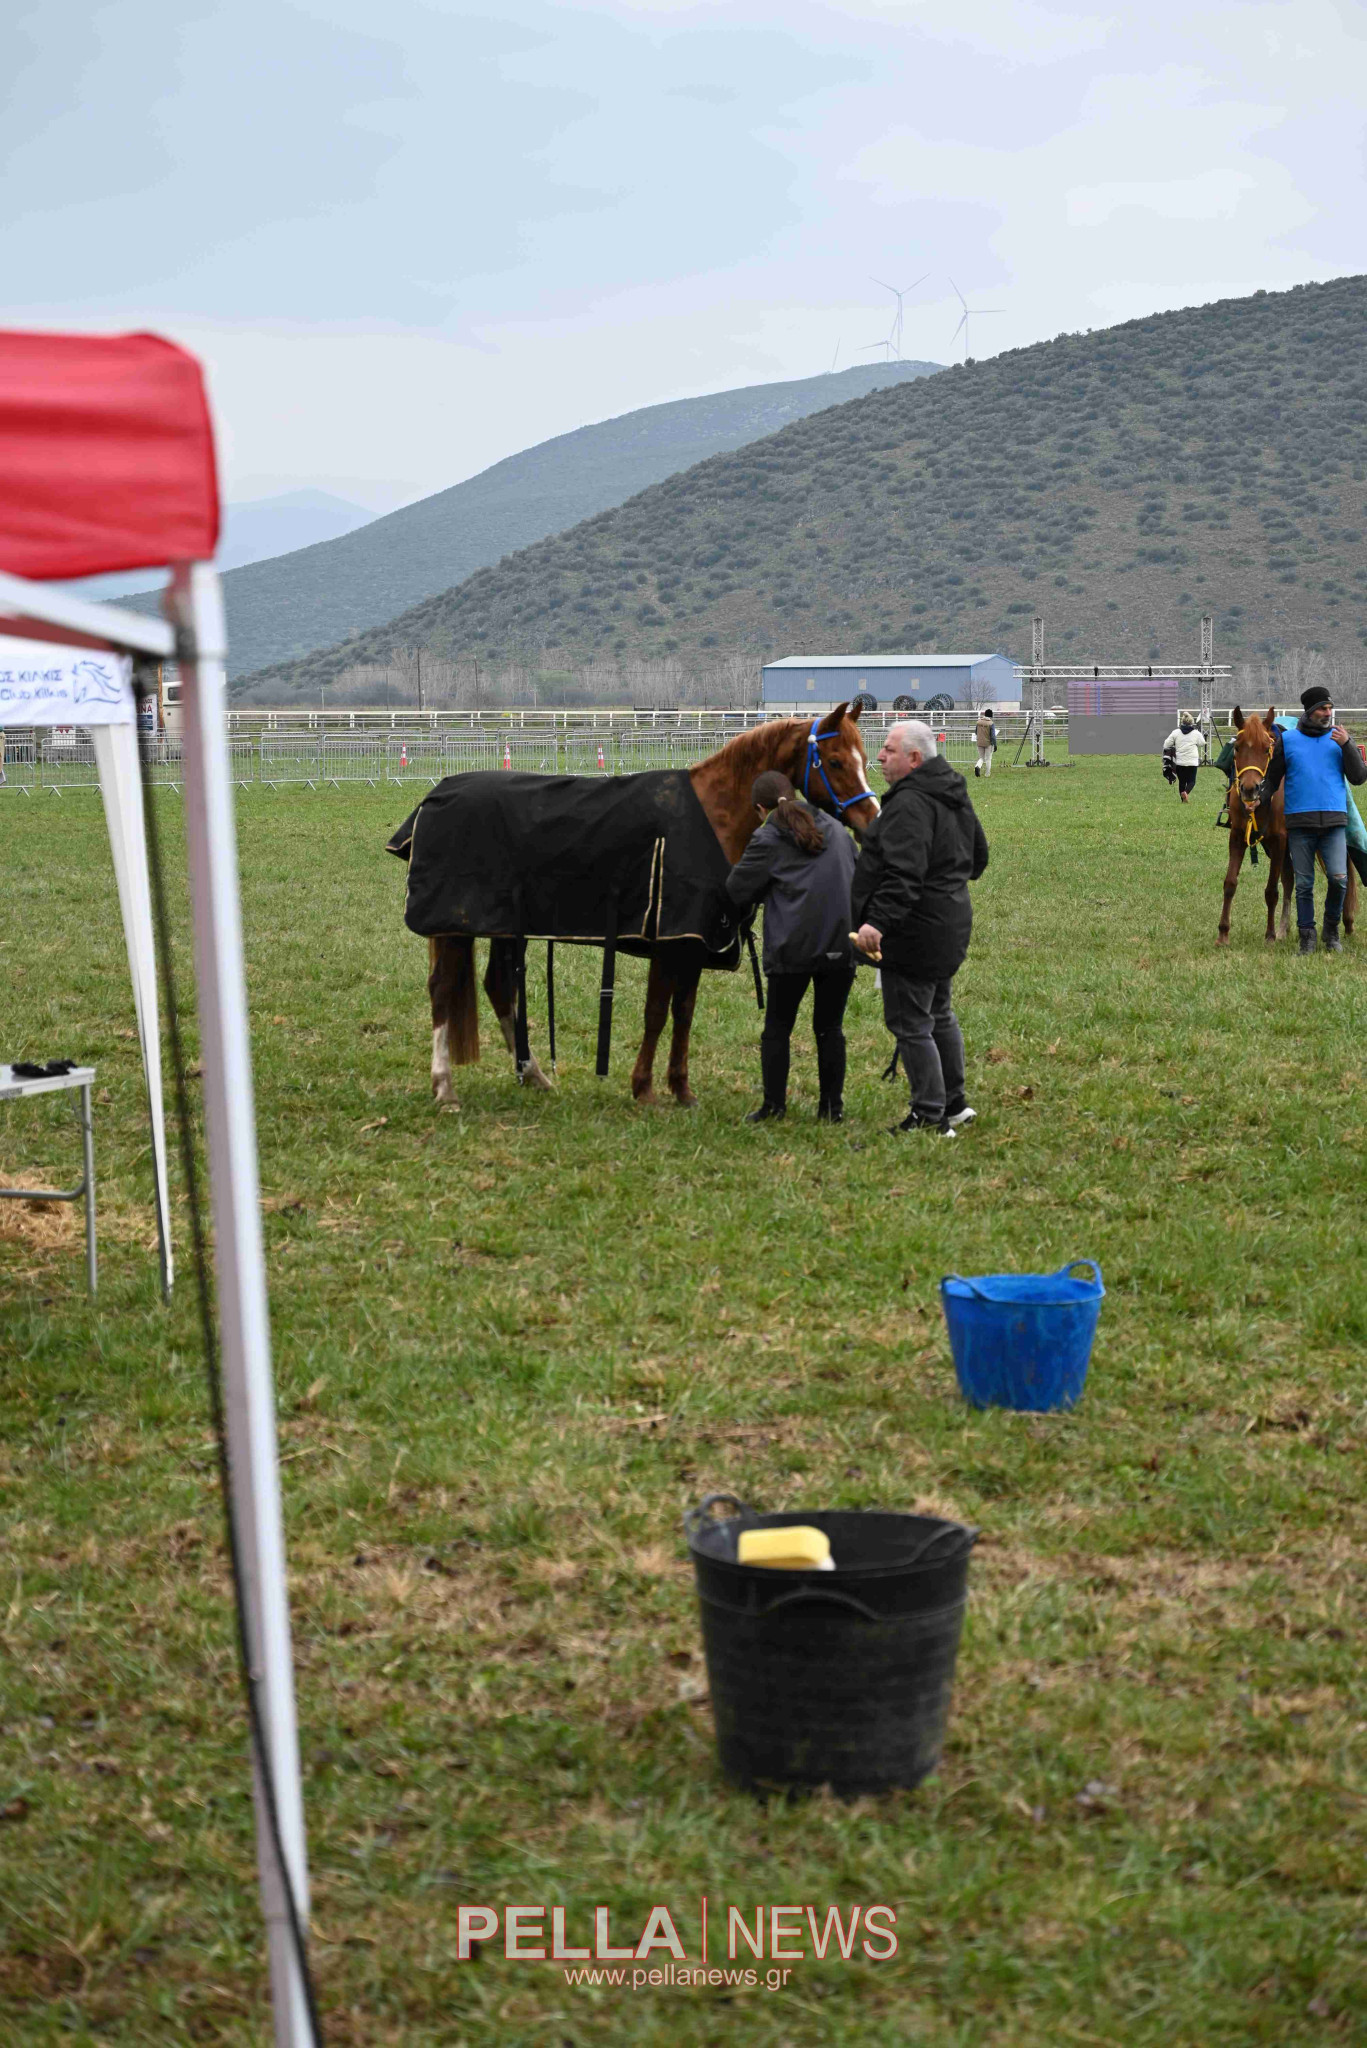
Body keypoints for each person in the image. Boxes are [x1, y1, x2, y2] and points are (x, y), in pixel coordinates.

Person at [851, 720, 989, 1137]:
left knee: (911, 1021)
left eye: (889, 750)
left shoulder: (910, 803)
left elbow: (903, 875)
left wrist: (877, 921)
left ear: (914, 758)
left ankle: (930, 1115)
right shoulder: (951, 794)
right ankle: (954, 1103)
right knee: (939, 1012)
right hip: (949, 920)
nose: (879, 756)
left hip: (915, 929)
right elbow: (978, 858)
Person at [725, 770, 857, 1122]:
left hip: (792, 947)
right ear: (795, 793)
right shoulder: (837, 830)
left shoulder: (767, 837)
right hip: (841, 944)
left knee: (778, 1027)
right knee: (830, 1028)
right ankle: (832, 1109)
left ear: (759, 808)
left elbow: (737, 891)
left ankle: (774, 1107)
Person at [1263, 684, 1367, 953]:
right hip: (1299, 824)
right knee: (1304, 883)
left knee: (1338, 878)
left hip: (1334, 823)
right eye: (1322, 708)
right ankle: (1307, 936)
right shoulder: (1289, 741)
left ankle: (1331, 932)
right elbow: (1272, 780)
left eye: (1330, 708)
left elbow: (1358, 777)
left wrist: (1347, 746)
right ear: (1309, 712)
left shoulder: (1339, 739)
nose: (1328, 713)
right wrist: (1256, 800)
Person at [1162, 713, 1205, 802]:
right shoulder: (1196, 733)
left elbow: (1166, 744)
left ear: (1182, 721)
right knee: (1191, 781)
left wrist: (1174, 745)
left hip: (1180, 762)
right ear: (1191, 722)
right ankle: (1186, 792)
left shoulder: (1176, 732)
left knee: (1182, 782)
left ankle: (1183, 800)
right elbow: (1202, 743)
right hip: (1192, 761)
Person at [974, 708, 998, 779]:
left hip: (979, 742)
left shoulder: (978, 722)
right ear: (991, 715)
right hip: (988, 743)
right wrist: (995, 745)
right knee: (988, 759)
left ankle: (977, 766)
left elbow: (976, 732)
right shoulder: (991, 723)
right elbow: (993, 736)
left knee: (981, 758)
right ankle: (987, 774)